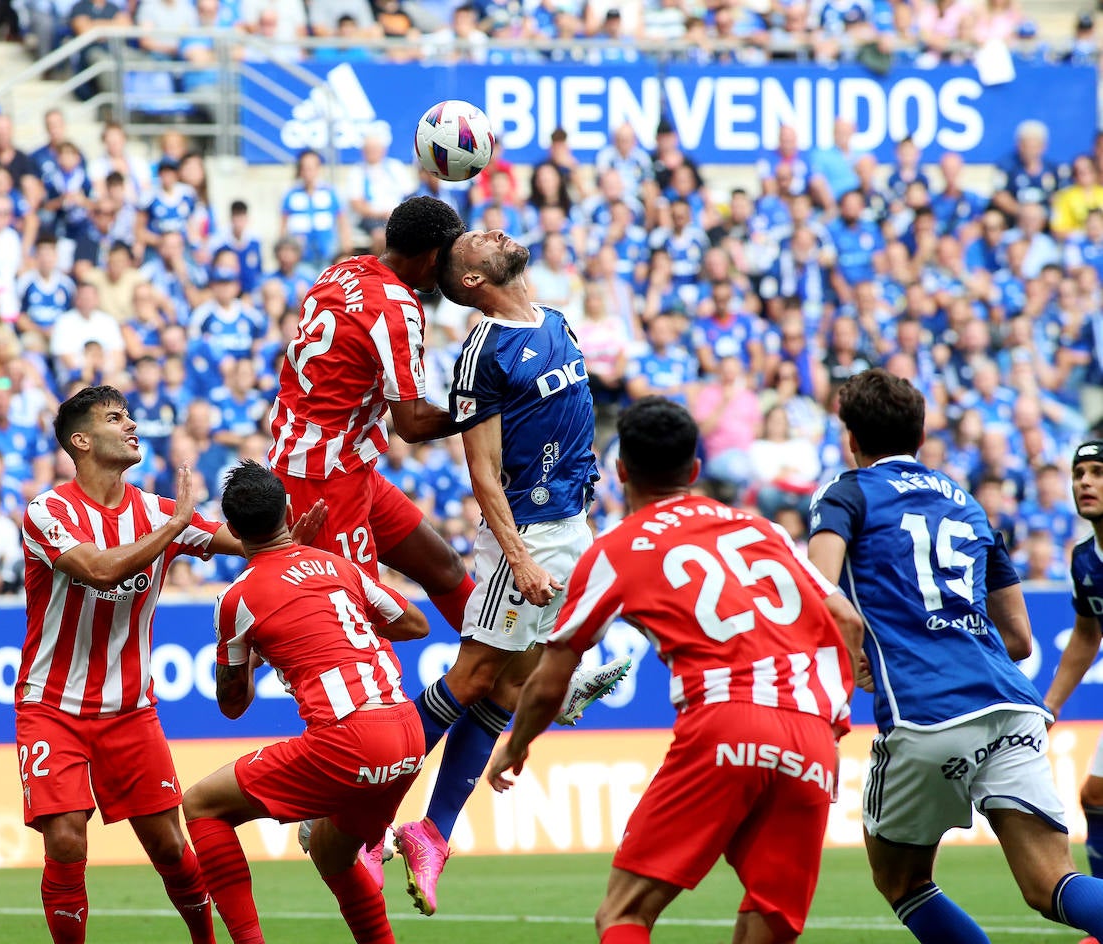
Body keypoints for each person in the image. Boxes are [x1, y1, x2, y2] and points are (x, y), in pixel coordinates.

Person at [486, 396, 860, 944]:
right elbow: (845, 619)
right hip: (811, 733)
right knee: (770, 920)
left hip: (725, 720)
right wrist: (832, 713)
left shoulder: (617, 550)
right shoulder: (762, 530)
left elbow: (551, 675)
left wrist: (516, 744)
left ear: (619, 472)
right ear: (694, 471)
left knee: (624, 914)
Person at [17, 385, 322, 944]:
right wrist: (176, 524)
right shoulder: (49, 511)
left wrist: (285, 541)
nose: (132, 424)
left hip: (131, 711)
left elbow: (246, 543)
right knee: (65, 839)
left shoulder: (157, 513)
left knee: (169, 847)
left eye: (131, 414)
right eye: (116, 418)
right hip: (51, 706)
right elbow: (100, 569)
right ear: (80, 441)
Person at [807, 369, 1103, 944]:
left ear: (852, 438)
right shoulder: (966, 504)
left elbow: (817, 590)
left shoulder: (847, 492)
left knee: (901, 879)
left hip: (925, 711)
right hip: (1011, 705)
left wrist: (857, 657)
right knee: (1050, 882)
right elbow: (1018, 639)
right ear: (920, 434)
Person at [392, 228, 632, 916]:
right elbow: (483, 471)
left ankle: (432, 830)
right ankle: (355, 787)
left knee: (503, 688)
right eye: (478, 243)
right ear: (471, 281)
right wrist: (519, 556)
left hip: (572, 527)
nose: (496, 233)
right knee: (470, 679)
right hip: (523, 536)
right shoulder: (482, 352)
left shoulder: (554, 320)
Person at [180, 461, 429, 944]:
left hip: (350, 739)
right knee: (333, 855)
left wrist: (259, 655)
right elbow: (415, 624)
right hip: (408, 733)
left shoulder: (237, 599)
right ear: (289, 510)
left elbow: (232, 705)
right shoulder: (338, 565)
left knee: (201, 805)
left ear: (232, 530)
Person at [266, 196, 474, 634]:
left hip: (343, 460)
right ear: (434, 256)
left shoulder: (342, 269)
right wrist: (481, 408)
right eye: (448, 261)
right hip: (324, 479)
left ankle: (514, 675)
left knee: (446, 569)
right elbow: (413, 424)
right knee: (355, 622)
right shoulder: (398, 307)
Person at [1044, 440, 1103, 944]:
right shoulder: (1085, 557)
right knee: (1096, 796)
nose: (1086, 481)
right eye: (1079, 472)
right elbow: (1087, 634)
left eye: (1098, 472)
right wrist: (1052, 704)